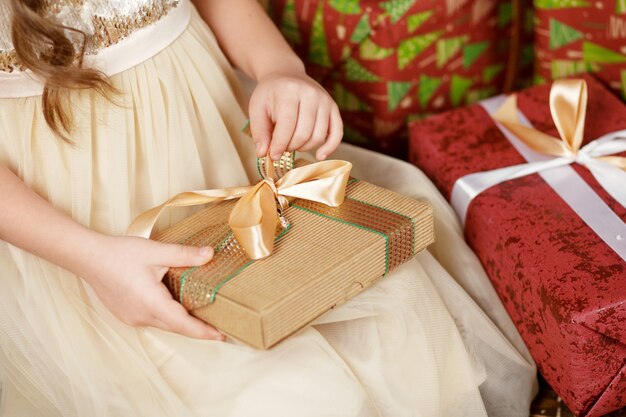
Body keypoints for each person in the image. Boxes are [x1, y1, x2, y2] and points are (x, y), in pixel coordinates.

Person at [0, 0, 536, 416]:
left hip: (214, 145)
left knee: (414, 352)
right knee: (287, 397)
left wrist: (280, 68)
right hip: (73, 230)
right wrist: (90, 257)